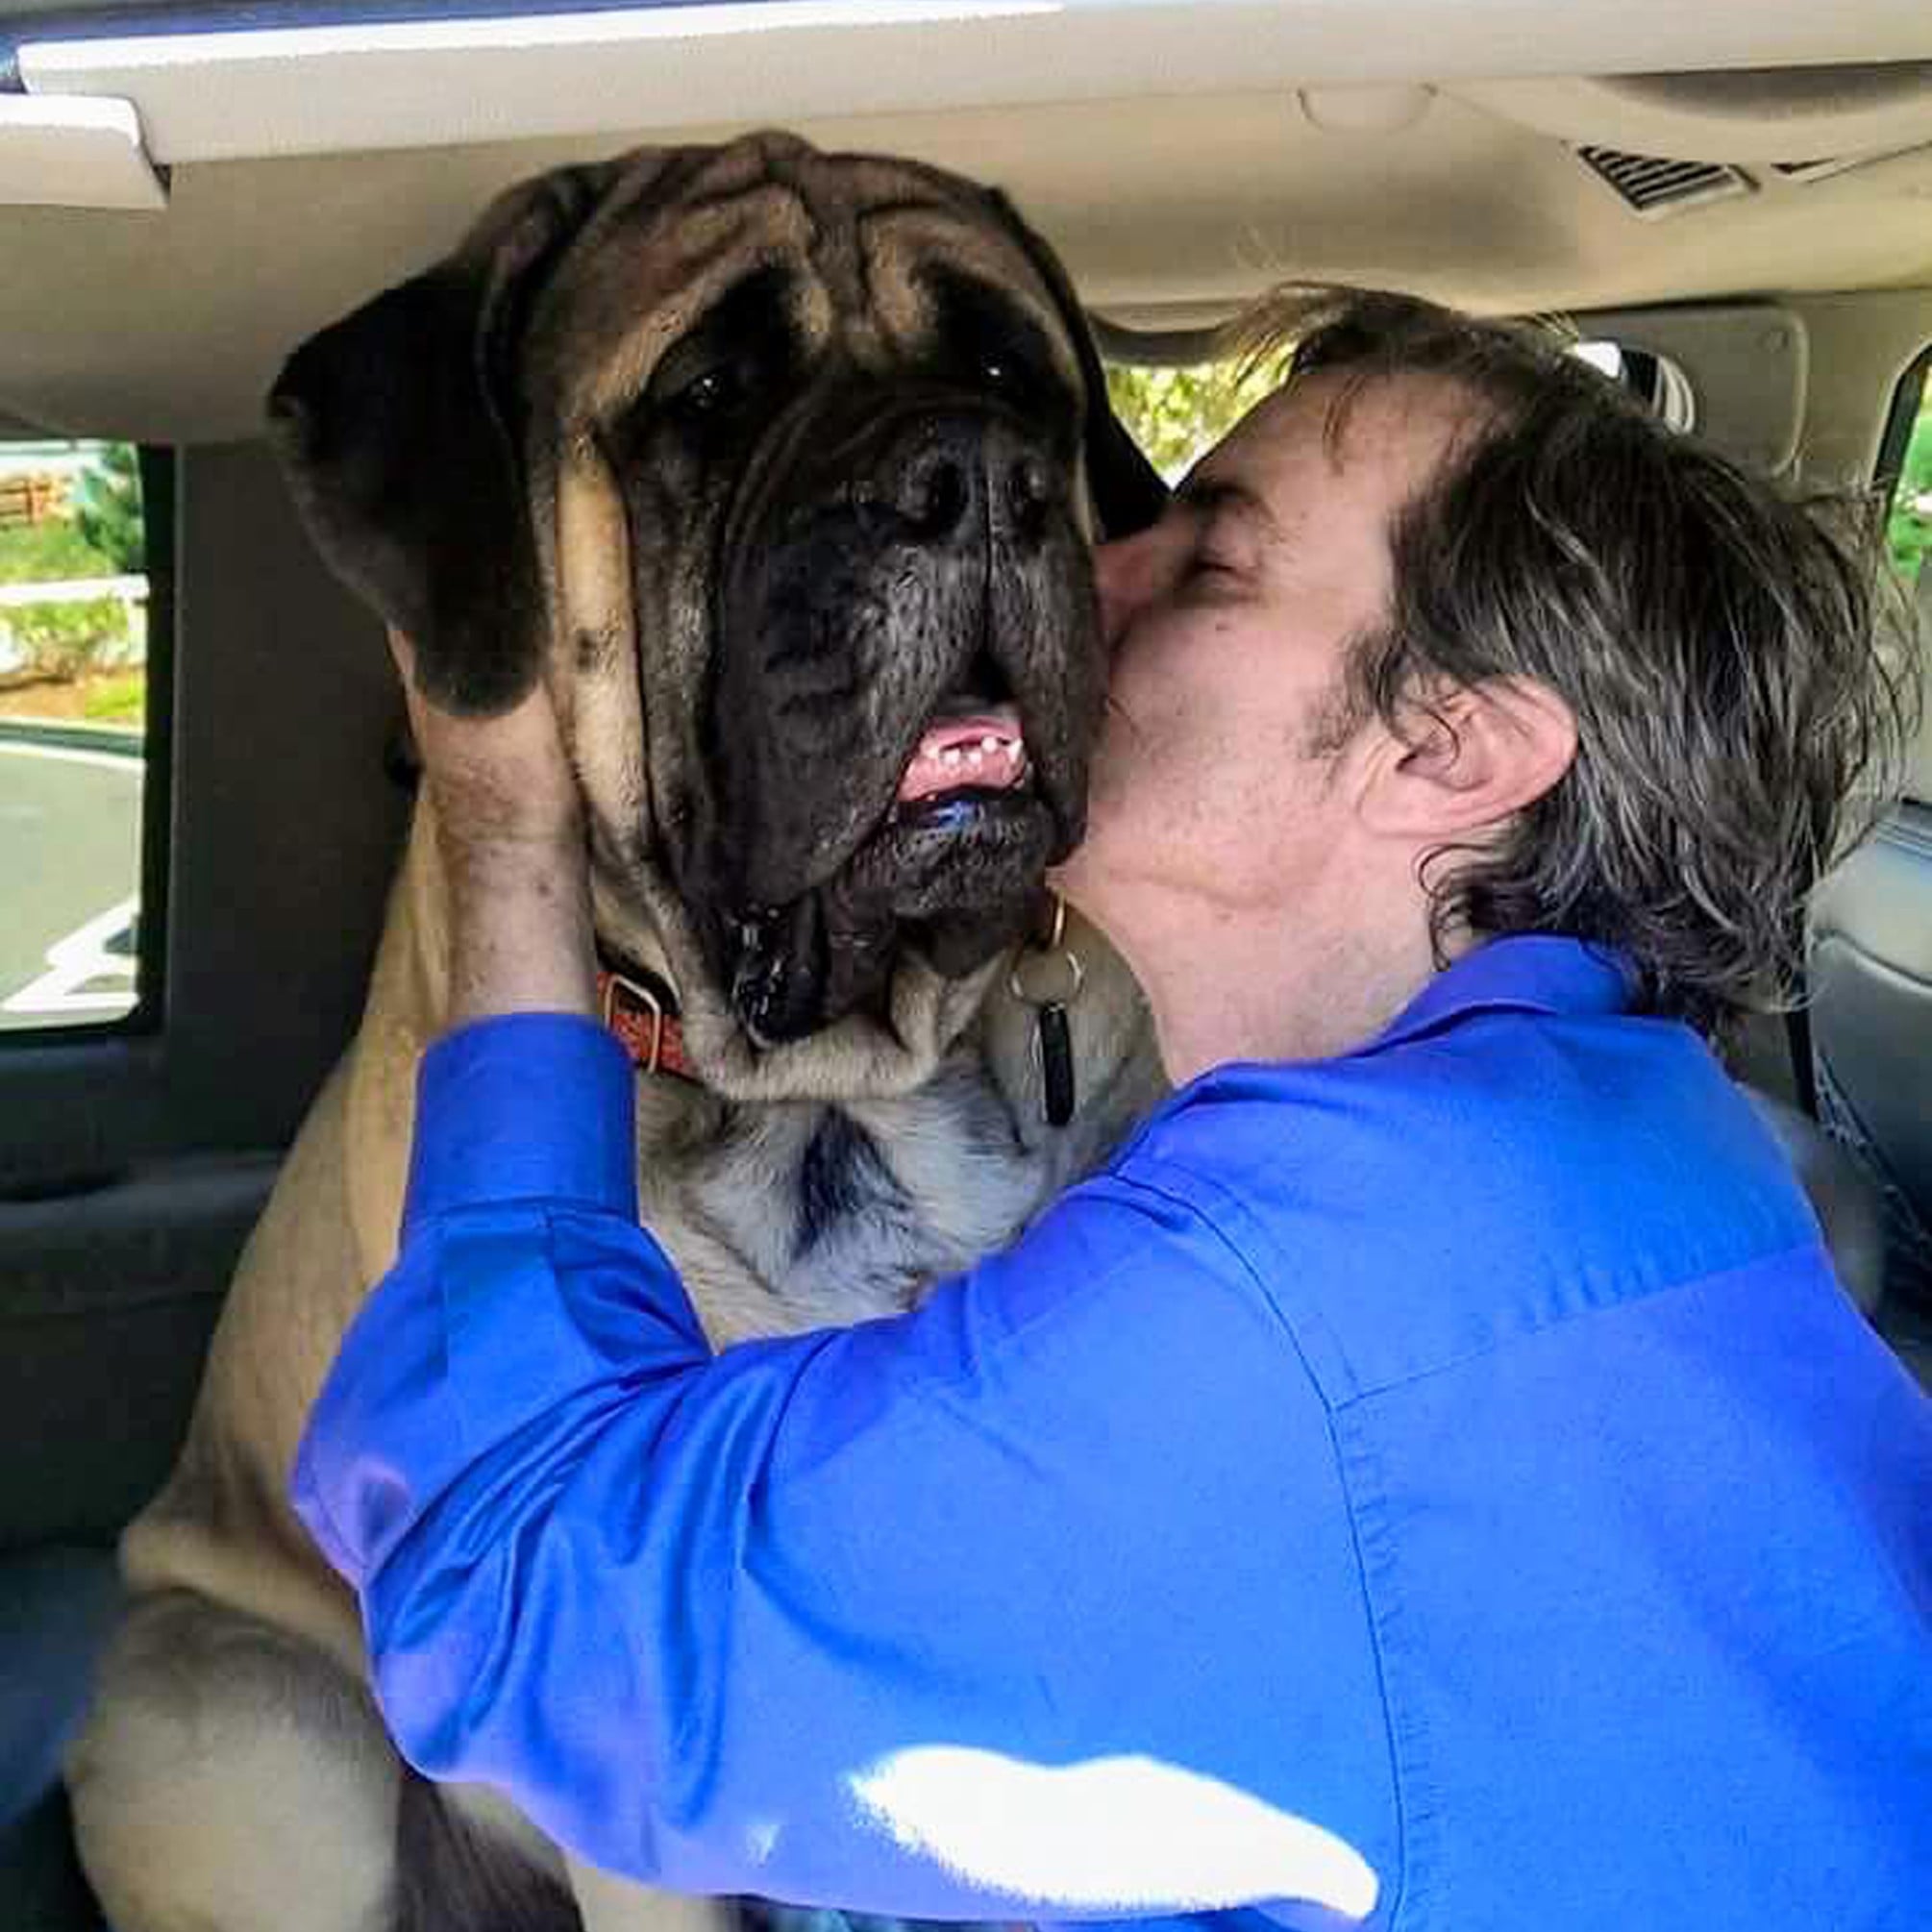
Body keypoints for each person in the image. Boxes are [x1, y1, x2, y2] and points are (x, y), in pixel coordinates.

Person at [291, 290, 1931, 1931]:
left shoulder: (1284, 1302)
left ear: (1448, 754)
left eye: (1206, 561)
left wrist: (502, 822)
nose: (1081, 574)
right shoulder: (1676, 1151)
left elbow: (503, 1592)